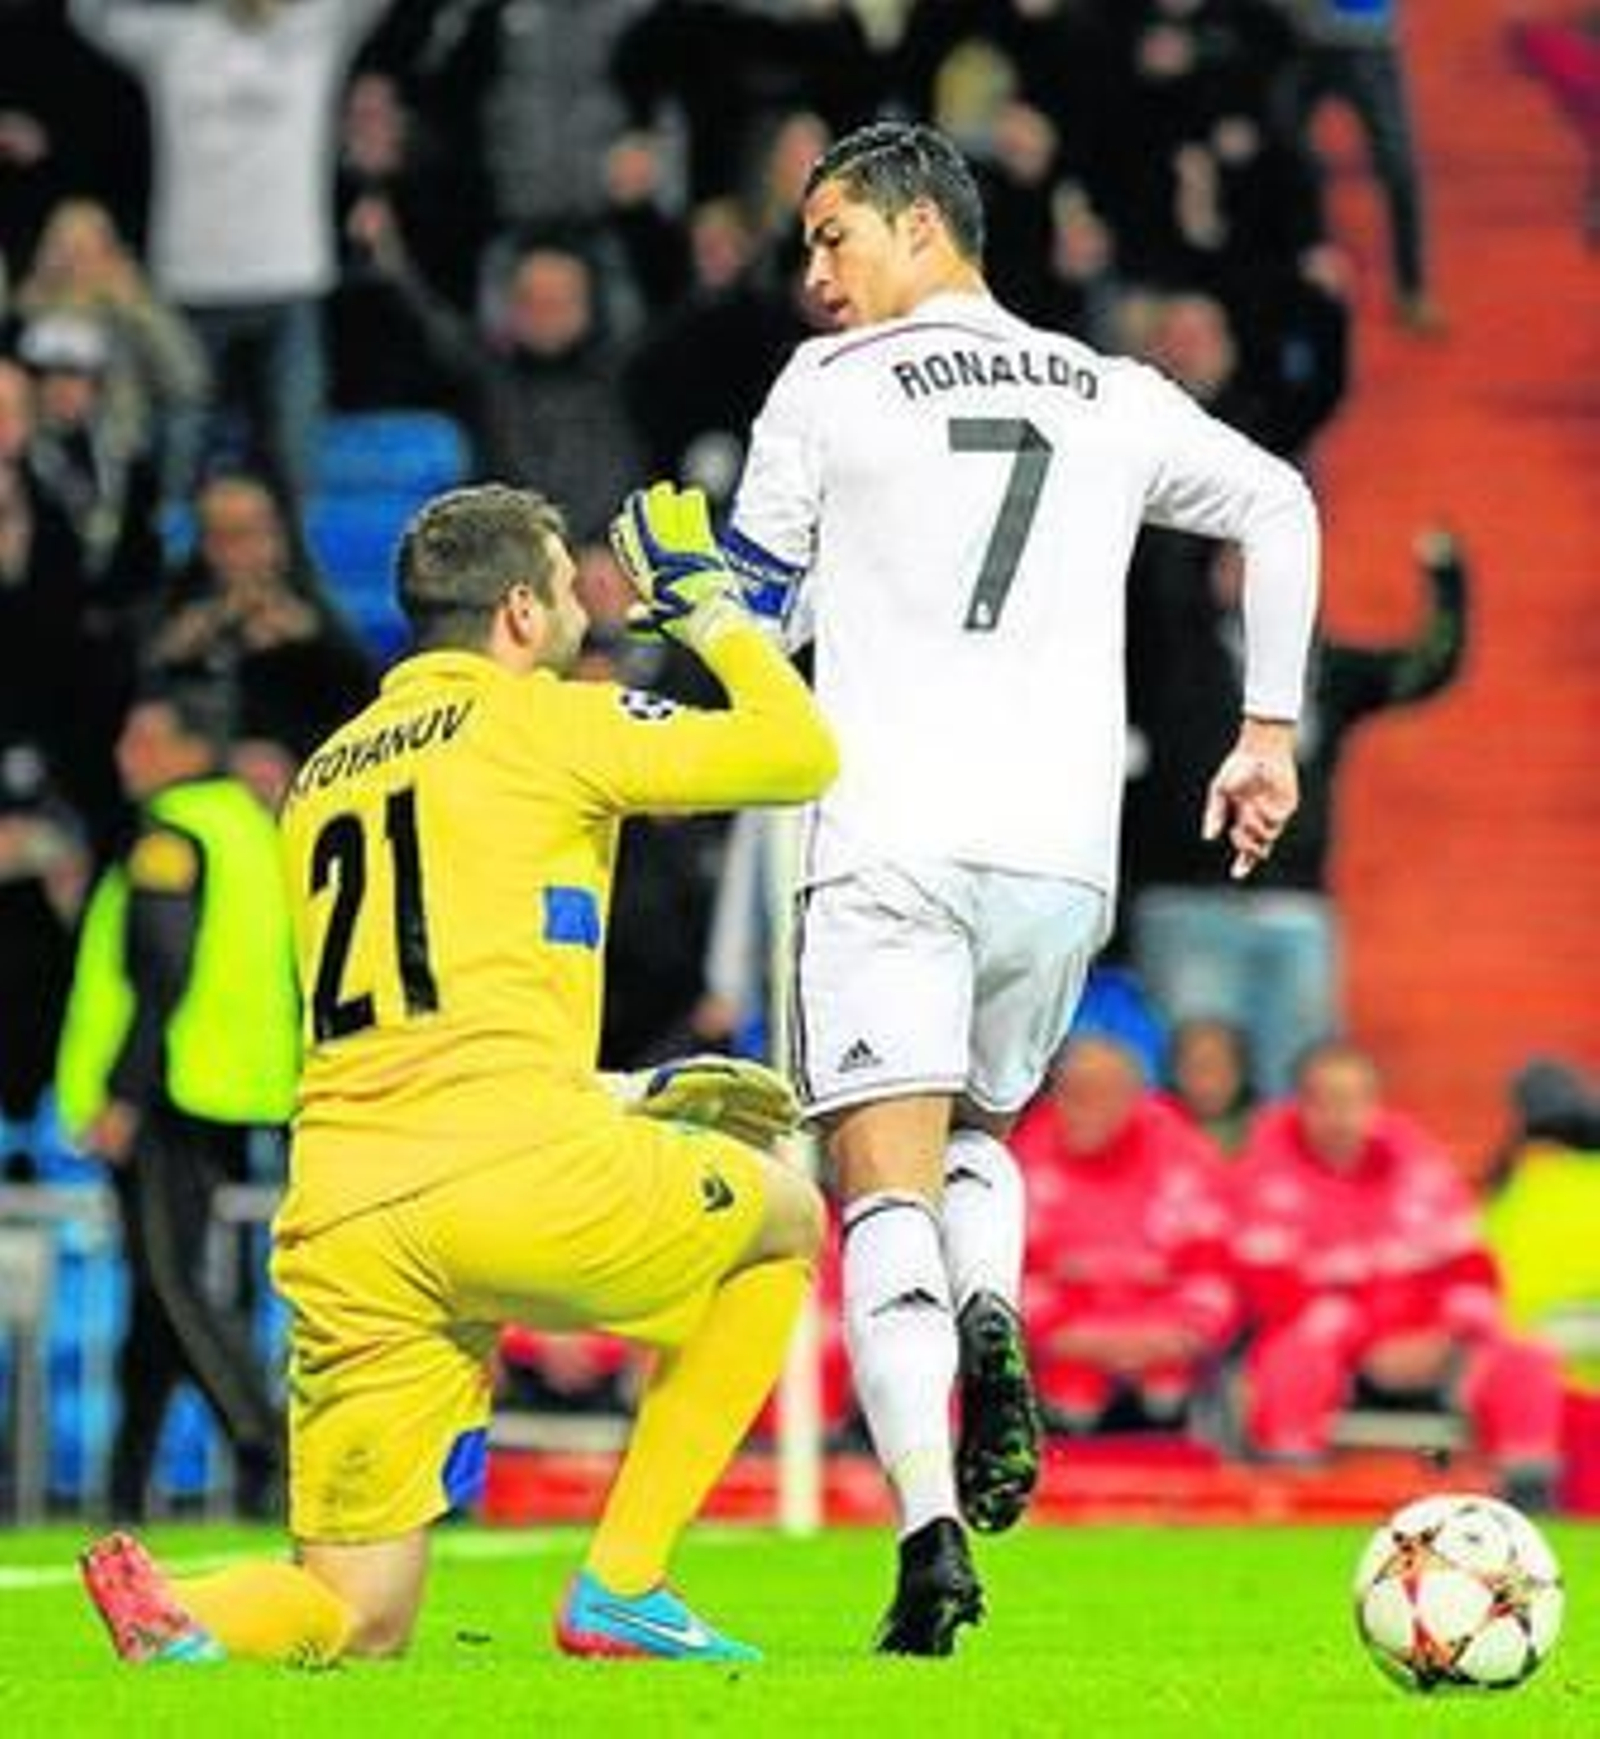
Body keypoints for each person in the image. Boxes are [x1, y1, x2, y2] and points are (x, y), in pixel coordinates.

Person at [720, 119, 1319, 1653]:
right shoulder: (1110, 392)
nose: (815, 275)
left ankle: (928, 1533)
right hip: (1060, 854)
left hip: (888, 836)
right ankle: (994, 1305)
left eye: (832, 235)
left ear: (923, 227)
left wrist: (679, 595)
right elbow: (1282, 506)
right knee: (980, 1132)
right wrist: (1266, 733)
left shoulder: (828, 390)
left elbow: (759, 638)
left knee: (882, 1185)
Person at [78, 479, 838, 1665]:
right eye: (564, 590)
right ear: (522, 615)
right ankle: (624, 1582)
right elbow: (800, 751)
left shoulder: (325, 773)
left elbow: (419, 1018)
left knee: (356, 1614)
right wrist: (707, 606)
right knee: (787, 1224)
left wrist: (621, 1091)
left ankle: (189, 1608)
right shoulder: (542, 720)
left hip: (344, 1213)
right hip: (511, 1175)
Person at [53, 666, 297, 1520]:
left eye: (140, 736)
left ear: (184, 747)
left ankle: (267, 1444)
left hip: (168, 1091)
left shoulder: (171, 832)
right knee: (157, 1299)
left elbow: (160, 968)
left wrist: (122, 1092)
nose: (125, 753)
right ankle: (125, 1488)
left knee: (174, 1283)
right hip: (239, 1084)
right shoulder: (250, 827)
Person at [1231, 1040, 1566, 1508]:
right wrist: (1366, 1339)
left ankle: (1530, 1513)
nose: (1339, 1115)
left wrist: (1447, 1333)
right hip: (1332, 1351)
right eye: (1324, 1100)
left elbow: (1472, 1266)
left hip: (1434, 1348)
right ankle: (1293, 1507)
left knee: (1524, 1362)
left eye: (1352, 1100)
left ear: (1374, 1104)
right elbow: (1267, 1289)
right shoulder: (1265, 1173)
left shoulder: (1421, 1166)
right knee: (1290, 1361)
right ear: (1300, 1104)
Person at [1010, 1035, 1240, 1432]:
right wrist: (1060, 1335)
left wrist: (1180, 1333)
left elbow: (1218, 1272)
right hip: (1059, 1352)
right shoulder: (1024, 1158)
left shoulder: (1186, 1156)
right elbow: (1006, 1274)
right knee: (1066, 1392)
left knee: (1168, 1390)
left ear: (1134, 1097)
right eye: (1069, 1093)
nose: (1079, 1109)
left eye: (1098, 1094)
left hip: (1168, 1352)